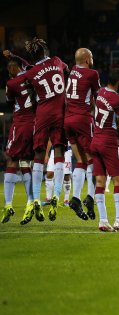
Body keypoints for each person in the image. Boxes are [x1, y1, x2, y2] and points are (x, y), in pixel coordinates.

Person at [11, 37, 69, 222]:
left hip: (42, 114)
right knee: (59, 150)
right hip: (60, 111)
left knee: (38, 154)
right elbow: (66, 71)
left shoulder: (31, 73)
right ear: (44, 51)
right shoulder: (57, 61)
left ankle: (36, 197)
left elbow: (24, 82)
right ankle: (56, 197)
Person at [91, 68, 119, 232]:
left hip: (95, 140)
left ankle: (103, 221)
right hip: (109, 141)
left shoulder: (100, 92)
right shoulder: (118, 100)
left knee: (100, 182)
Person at [64, 48, 100, 220]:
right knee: (94, 159)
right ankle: (90, 198)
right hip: (82, 120)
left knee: (80, 160)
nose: (92, 60)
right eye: (91, 57)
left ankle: (76, 199)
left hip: (68, 119)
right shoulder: (92, 74)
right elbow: (98, 96)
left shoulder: (72, 71)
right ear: (86, 59)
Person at [1, 53, 35, 225]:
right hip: (34, 124)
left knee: (12, 160)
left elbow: (9, 101)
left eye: (9, 68)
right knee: (25, 163)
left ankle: (8, 205)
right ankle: (30, 202)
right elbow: (27, 63)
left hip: (21, 123)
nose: (8, 72)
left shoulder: (11, 83)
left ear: (14, 68)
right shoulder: (31, 74)